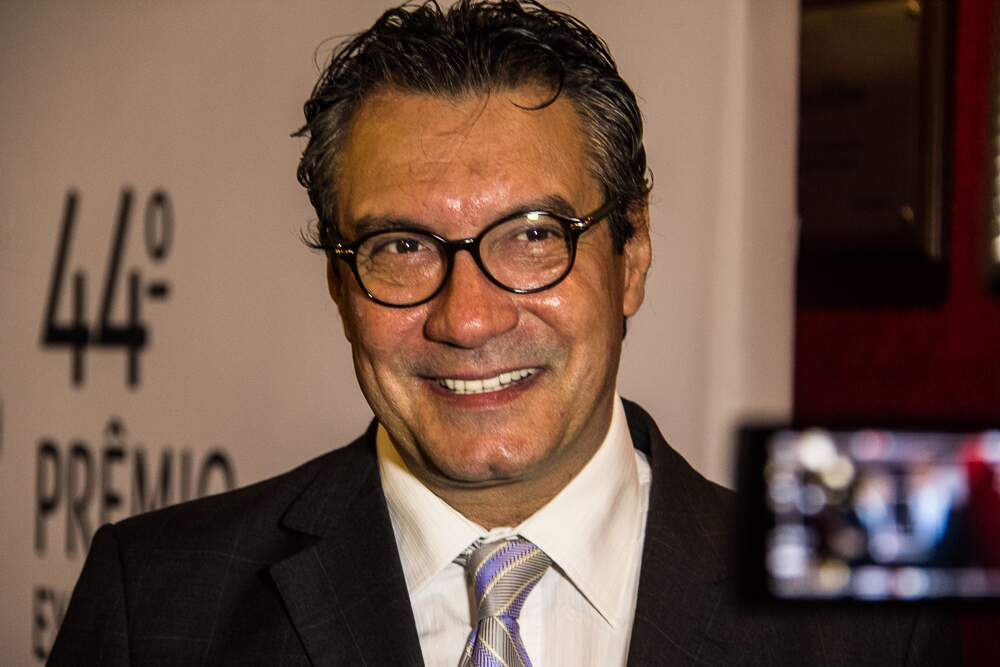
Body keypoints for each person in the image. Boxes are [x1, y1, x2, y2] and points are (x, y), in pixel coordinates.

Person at [50, 1, 961, 665]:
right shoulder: (157, 606)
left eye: (532, 236)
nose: (469, 318)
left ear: (632, 253)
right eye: (402, 246)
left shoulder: (868, 622)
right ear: (338, 281)